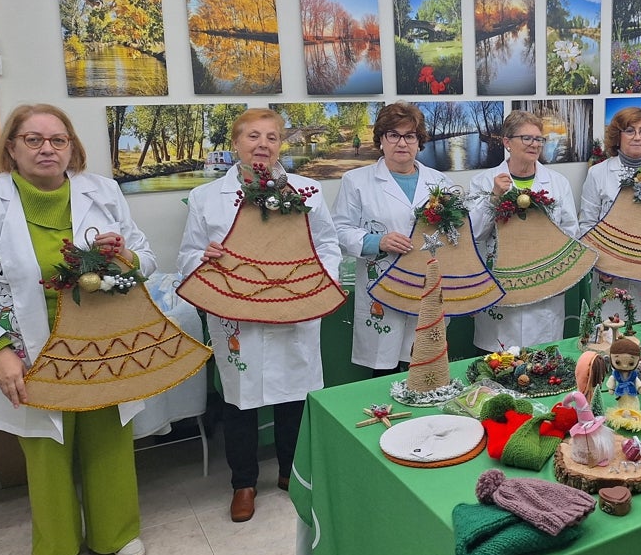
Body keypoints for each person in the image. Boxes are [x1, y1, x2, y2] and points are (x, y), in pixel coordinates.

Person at [0, 104, 151, 555]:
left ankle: (117, 533)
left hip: (98, 339)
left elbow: (144, 257)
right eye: (33, 139)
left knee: (109, 435)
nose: (46, 149)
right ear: (11, 148)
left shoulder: (102, 191)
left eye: (57, 140)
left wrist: (125, 255)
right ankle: (52, 548)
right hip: (27, 344)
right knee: (44, 446)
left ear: (72, 147)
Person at [177, 108, 340, 523]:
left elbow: (327, 246)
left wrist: (314, 290)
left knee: (294, 397)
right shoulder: (206, 197)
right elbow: (188, 255)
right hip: (237, 317)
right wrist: (204, 257)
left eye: (271, 136)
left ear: (281, 144)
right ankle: (243, 483)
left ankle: (290, 471)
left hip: (296, 308)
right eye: (252, 136)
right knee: (240, 401)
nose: (262, 144)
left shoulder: (307, 192)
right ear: (235, 143)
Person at [332, 102, 452, 375]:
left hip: (427, 284)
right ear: (381, 140)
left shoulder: (440, 182)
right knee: (384, 364)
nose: (402, 143)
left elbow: (455, 232)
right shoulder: (356, 181)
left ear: (419, 142)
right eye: (393, 135)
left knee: (422, 362)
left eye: (410, 136)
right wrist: (378, 242)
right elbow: (338, 230)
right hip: (382, 283)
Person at [468, 111, 579, 351]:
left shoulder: (557, 183)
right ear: (507, 142)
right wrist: (494, 198)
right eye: (527, 138)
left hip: (545, 284)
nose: (535, 145)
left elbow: (570, 232)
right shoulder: (484, 181)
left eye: (539, 139)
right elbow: (474, 232)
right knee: (498, 362)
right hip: (501, 284)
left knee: (543, 363)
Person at [579, 106, 641, 319]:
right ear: (618, 136)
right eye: (630, 131)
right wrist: (602, 264)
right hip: (610, 273)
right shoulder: (598, 174)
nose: (637, 137)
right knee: (609, 332)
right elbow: (586, 225)